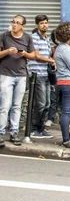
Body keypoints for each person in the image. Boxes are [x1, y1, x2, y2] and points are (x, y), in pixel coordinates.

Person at [0, 15, 36, 147]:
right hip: (6, 74)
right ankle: (0, 132)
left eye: (17, 23)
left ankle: (14, 132)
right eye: (13, 22)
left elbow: (33, 55)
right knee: (5, 105)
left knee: (17, 105)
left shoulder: (27, 38)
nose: (14, 25)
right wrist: (7, 51)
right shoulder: (4, 36)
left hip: (21, 75)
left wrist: (24, 54)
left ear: (23, 26)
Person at [29, 15, 56, 139]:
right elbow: (36, 55)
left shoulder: (46, 39)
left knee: (47, 103)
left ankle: (41, 128)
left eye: (46, 23)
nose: (44, 25)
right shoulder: (34, 38)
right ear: (37, 25)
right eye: (41, 23)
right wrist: (50, 60)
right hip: (37, 75)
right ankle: (33, 128)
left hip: (45, 75)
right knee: (40, 103)